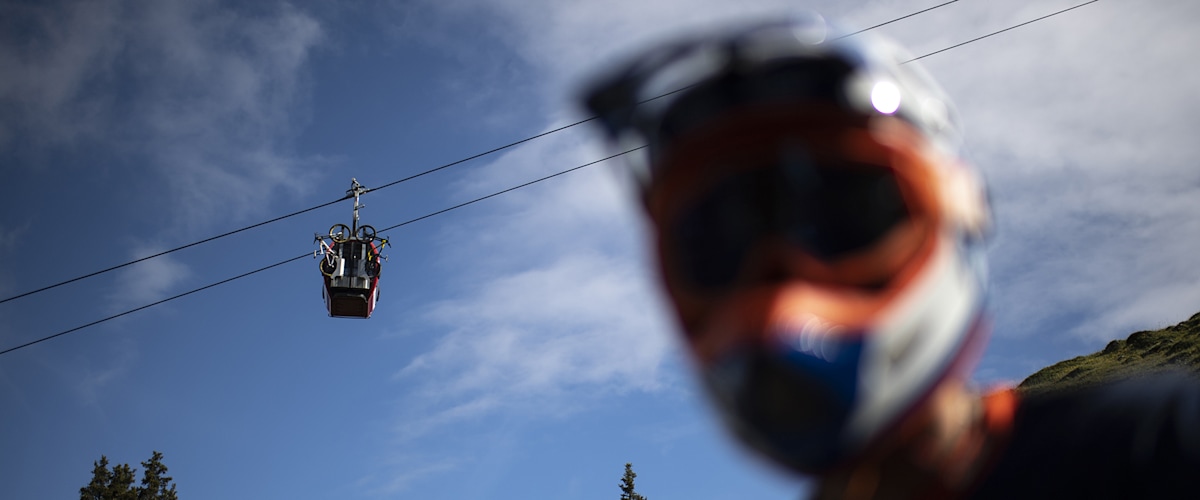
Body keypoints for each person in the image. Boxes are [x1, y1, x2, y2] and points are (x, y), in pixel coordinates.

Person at [580, 13, 1199, 499]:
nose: (780, 291)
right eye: (714, 246)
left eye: (847, 215)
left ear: (955, 211)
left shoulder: (1161, 447)